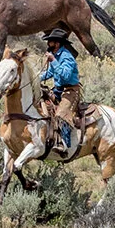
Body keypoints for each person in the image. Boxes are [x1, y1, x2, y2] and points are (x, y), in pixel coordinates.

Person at [39, 26, 84, 156]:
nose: (48, 44)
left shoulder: (66, 57)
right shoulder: (56, 55)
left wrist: (53, 61)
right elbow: (50, 73)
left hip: (71, 91)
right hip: (58, 90)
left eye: (50, 41)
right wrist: (36, 78)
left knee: (61, 114)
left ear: (57, 43)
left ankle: (64, 145)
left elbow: (65, 76)